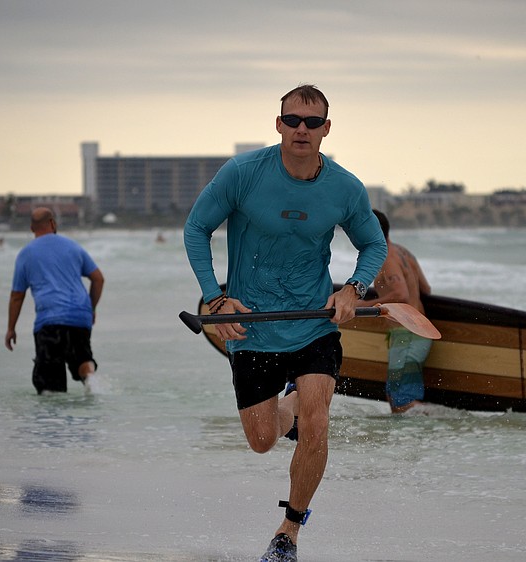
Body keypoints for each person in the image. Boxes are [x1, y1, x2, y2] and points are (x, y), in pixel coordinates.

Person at [183, 84, 387, 562]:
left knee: (318, 424)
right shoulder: (243, 174)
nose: (301, 129)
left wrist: (352, 290)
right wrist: (216, 299)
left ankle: (289, 530)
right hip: (251, 325)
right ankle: (290, 405)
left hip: (314, 324)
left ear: (326, 130)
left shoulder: (345, 187)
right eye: (292, 120)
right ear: (278, 124)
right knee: (261, 441)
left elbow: (372, 245)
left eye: (312, 122)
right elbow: (196, 227)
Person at [5, 207, 105, 394]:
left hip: (49, 320)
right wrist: (90, 308)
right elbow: (98, 279)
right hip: (79, 316)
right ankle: (90, 379)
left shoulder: (26, 254)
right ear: (52, 223)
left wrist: (11, 328)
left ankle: (53, 420)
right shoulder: (73, 247)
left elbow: (17, 296)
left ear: (32, 228)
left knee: (50, 383)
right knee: (82, 358)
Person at [361, 210, 433, 413]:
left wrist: (364, 306)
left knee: (402, 402)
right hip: (415, 333)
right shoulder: (403, 253)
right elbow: (425, 289)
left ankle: (443, 423)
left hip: (408, 335)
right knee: (398, 398)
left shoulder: (386, 257)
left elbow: (400, 295)